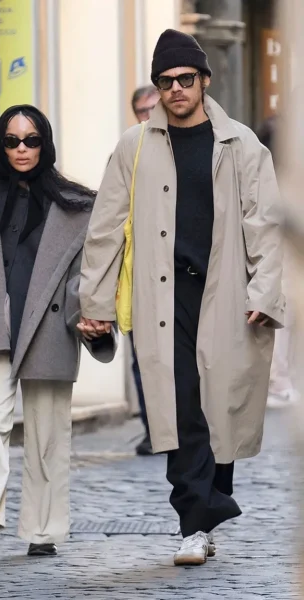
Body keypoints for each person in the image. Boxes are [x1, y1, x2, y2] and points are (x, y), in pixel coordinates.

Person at [78, 29, 284, 566]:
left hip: (227, 294)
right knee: (181, 408)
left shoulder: (242, 144)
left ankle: (208, 509)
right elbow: (105, 228)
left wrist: (265, 291)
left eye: (185, 79)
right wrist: (94, 303)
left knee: (222, 408)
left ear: (204, 80)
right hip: (162, 297)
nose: (176, 89)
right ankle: (193, 523)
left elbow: (265, 225)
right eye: (166, 81)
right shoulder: (134, 146)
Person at [0, 104, 115, 559]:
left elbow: (85, 274)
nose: (22, 149)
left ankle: (43, 531)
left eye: (31, 140)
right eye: (12, 141)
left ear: (45, 143)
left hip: (50, 326)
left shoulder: (75, 206)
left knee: (48, 432)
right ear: (0, 146)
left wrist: (86, 316)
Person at [257, 115, 296, 408]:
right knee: (282, 319)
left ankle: (278, 381)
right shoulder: (277, 178)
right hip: (278, 260)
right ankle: (278, 382)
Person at [130, 85, 159, 455]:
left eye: (155, 107)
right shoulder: (126, 153)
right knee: (142, 359)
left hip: (184, 274)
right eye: (143, 110)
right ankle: (153, 430)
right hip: (139, 276)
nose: (150, 115)